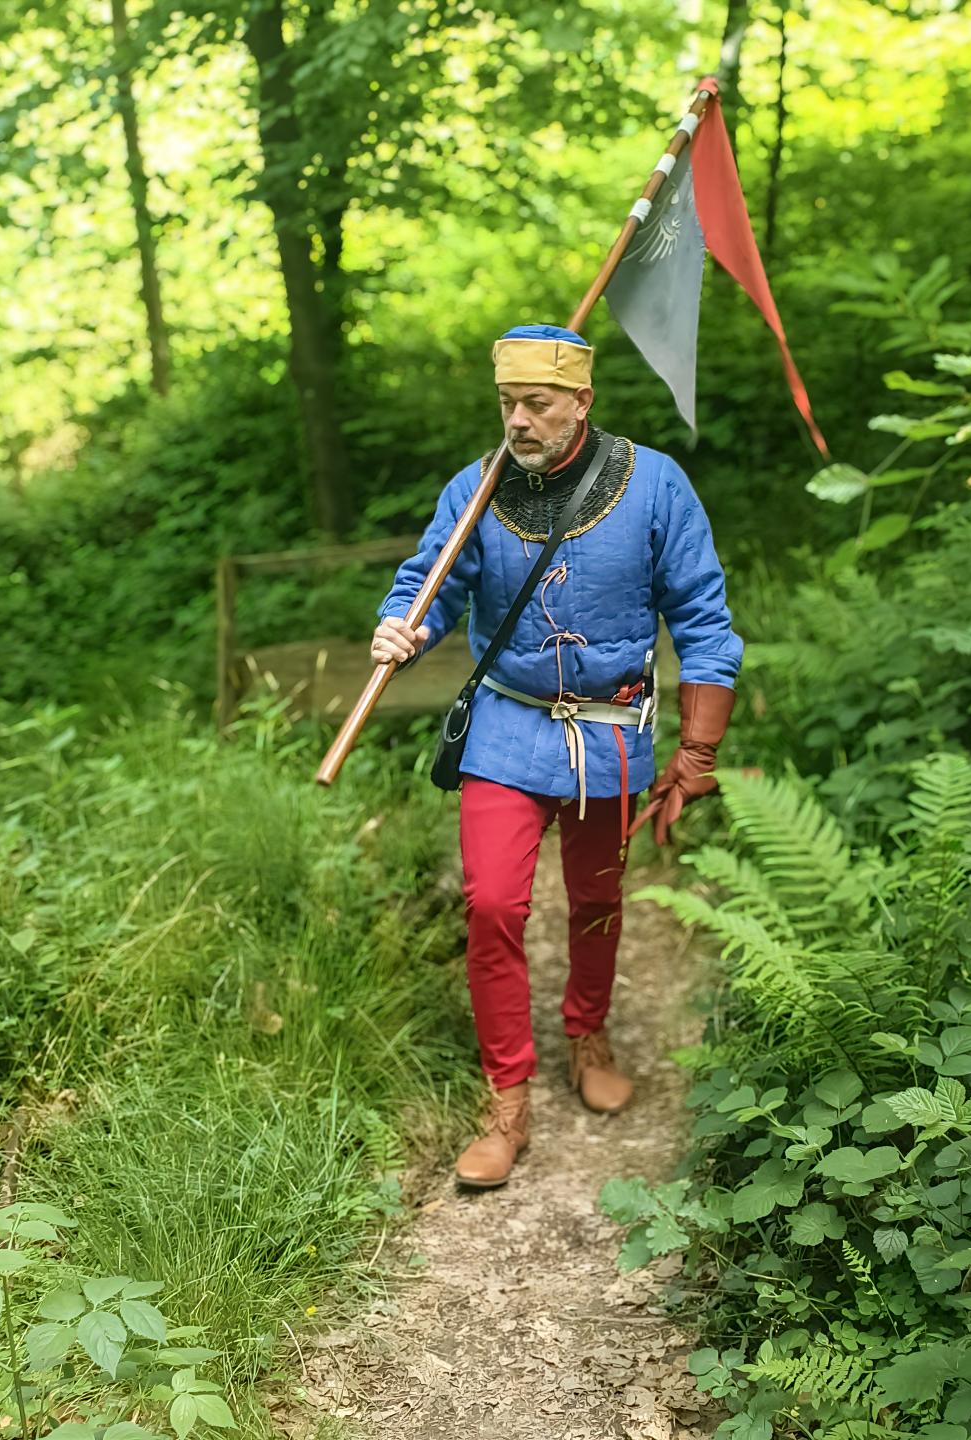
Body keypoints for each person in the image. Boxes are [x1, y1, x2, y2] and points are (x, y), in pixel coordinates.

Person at [372, 324, 742, 1188]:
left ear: (582, 402)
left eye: (536, 404)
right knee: (492, 904)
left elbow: (703, 616)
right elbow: (430, 583)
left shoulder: (655, 485)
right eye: (508, 403)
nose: (518, 421)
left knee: (599, 899)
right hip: (507, 725)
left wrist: (698, 749)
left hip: (608, 733)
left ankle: (588, 1032)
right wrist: (404, 627)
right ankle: (508, 1097)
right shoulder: (476, 489)